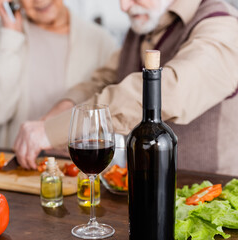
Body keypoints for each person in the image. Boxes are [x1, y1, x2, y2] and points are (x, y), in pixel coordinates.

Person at [13, 0, 238, 176]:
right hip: (143, 190)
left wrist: (54, 131)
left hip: (207, 197)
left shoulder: (222, 26)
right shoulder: (147, 23)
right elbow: (104, 80)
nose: (123, 6)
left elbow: (169, 92)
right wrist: (62, 110)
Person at [0, 0, 116, 148]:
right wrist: (10, 37)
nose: (39, 1)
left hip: (77, 167)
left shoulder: (101, 41)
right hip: (17, 166)